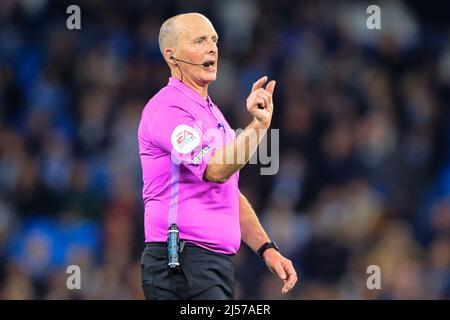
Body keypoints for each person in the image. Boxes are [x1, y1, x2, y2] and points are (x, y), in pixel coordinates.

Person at [138, 12, 298, 300]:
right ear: (171, 56)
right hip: (181, 262)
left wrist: (266, 249)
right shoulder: (168, 108)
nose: (212, 47)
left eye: (214, 40)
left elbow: (228, 191)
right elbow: (215, 170)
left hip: (211, 263)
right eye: (199, 41)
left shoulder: (213, 114)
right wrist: (259, 126)